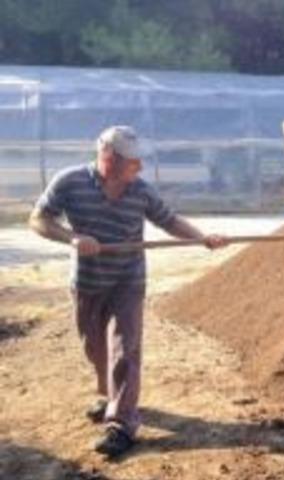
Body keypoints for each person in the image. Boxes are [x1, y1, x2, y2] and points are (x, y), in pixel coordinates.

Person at [29, 126, 227, 457]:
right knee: (94, 347)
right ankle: (109, 394)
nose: (140, 168)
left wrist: (201, 238)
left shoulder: (141, 191)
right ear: (108, 157)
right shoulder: (70, 182)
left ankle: (121, 423)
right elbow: (38, 219)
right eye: (132, 162)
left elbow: (169, 220)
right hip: (88, 282)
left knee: (125, 348)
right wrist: (72, 238)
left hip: (128, 280)